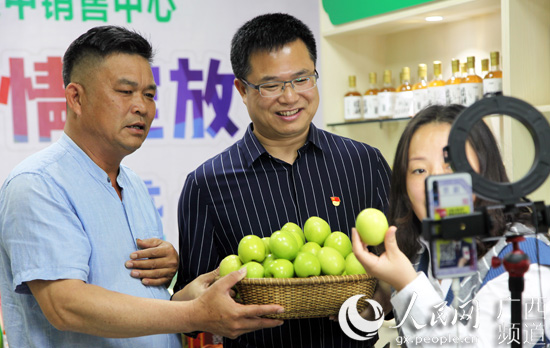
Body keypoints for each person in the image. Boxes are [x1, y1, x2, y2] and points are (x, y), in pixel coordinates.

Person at [0, 25, 285, 347]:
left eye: (149, 94)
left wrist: (189, 296)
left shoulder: (132, 184)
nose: (142, 107)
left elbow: (143, 306)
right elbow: (66, 306)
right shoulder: (37, 184)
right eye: (125, 91)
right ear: (76, 97)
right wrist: (194, 313)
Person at [175, 13, 391, 348]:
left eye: (302, 79)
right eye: (271, 85)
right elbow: (191, 304)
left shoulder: (364, 162)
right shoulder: (207, 184)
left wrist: (375, 306)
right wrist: (198, 305)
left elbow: (399, 269)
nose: (290, 97)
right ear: (241, 90)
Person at [352, 104, 550, 347]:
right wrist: (377, 303)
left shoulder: (527, 258)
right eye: (419, 169)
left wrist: (405, 283)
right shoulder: (418, 251)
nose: (437, 181)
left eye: (453, 164)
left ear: (486, 173)